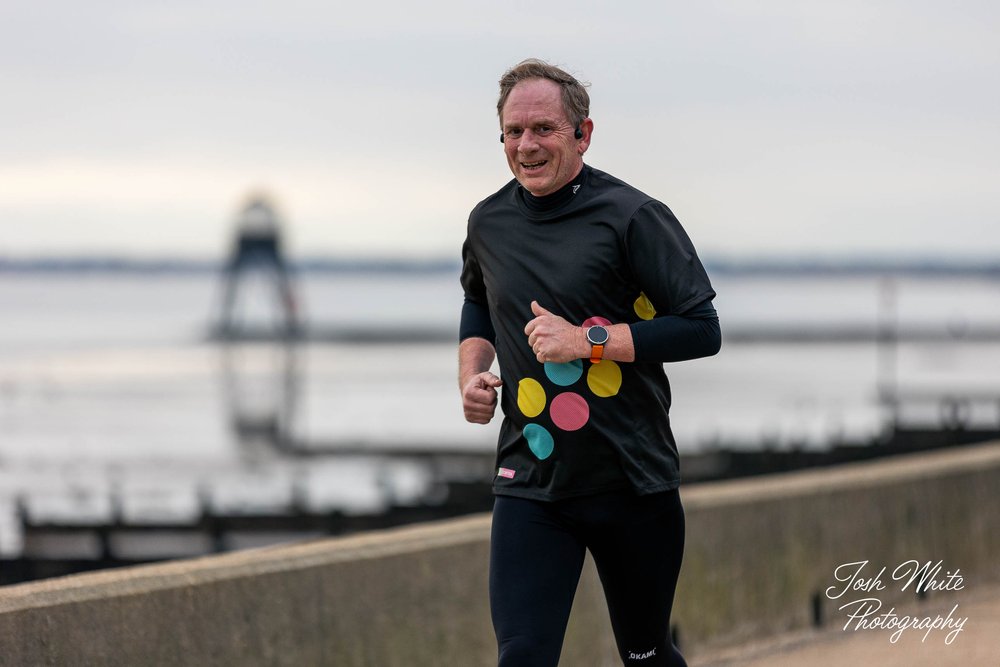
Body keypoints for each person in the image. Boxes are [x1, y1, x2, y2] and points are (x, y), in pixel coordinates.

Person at [459, 58, 721, 667]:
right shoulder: (488, 222)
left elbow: (700, 329)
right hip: (531, 481)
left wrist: (588, 342)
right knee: (521, 656)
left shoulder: (632, 217)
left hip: (630, 478)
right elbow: (478, 302)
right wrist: (472, 374)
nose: (527, 145)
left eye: (544, 129)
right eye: (513, 132)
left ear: (583, 134)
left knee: (646, 655)